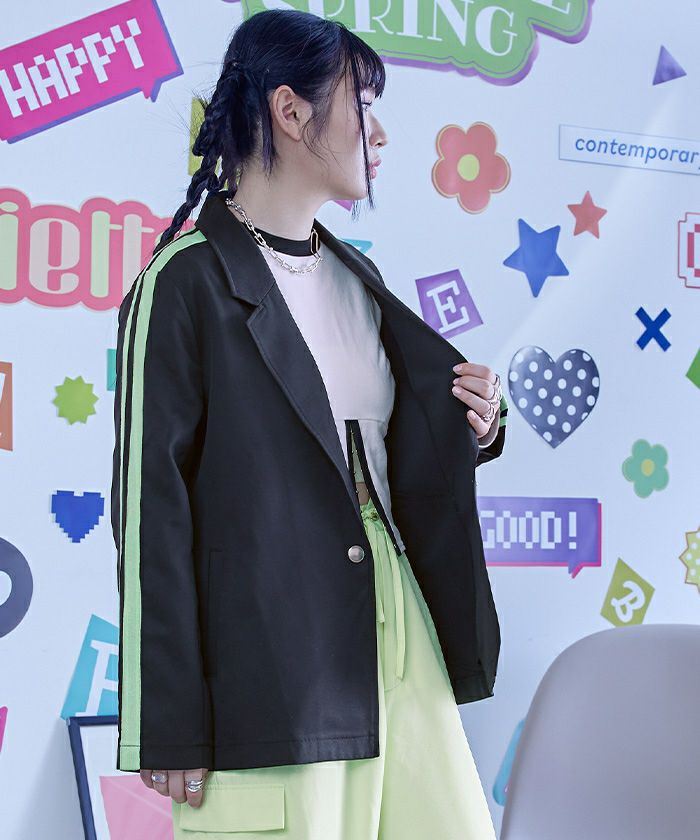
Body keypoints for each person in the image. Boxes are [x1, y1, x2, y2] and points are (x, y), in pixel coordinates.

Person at [111, 8, 508, 839]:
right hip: (272, 657)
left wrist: (475, 425)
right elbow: (153, 508)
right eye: (364, 105)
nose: (381, 134)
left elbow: (374, 454)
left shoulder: (356, 277)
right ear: (290, 112)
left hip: (399, 628)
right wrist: (168, 719)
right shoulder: (185, 281)